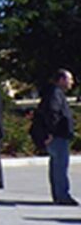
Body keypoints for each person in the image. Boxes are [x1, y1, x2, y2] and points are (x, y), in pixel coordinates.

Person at [42, 69, 76, 205]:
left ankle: (58, 195)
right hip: (58, 136)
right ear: (62, 80)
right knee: (60, 167)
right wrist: (52, 133)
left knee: (56, 166)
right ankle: (62, 195)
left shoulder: (54, 92)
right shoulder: (56, 94)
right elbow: (53, 114)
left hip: (57, 136)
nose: (72, 83)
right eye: (70, 79)